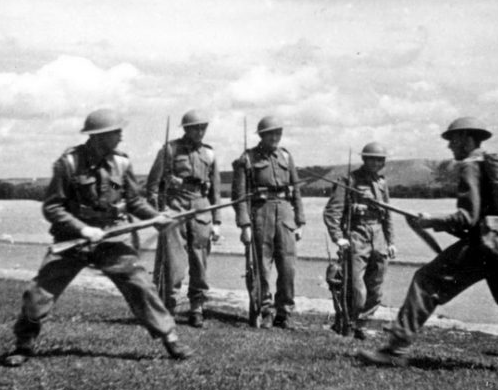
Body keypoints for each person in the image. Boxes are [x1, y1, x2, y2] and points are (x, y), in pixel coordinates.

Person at [357, 116, 498, 382]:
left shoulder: (471, 166)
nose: (450, 147)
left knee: (426, 281)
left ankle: (394, 350)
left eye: (453, 140)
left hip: (486, 246)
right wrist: (432, 222)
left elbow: (468, 218)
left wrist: (431, 221)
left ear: (468, 138)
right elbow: (494, 217)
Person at [1, 109, 192, 367]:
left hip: (111, 241)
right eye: (116, 132)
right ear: (99, 136)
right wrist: (83, 229)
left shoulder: (121, 163)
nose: (121, 137)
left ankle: (170, 338)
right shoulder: (68, 164)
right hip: (73, 241)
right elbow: (52, 207)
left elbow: (134, 201)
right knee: (39, 293)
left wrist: (156, 217)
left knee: (140, 286)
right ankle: (24, 343)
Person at [145, 110, 222, 328]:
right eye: (195, 127)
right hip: (175, 208)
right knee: (173, 263)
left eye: (203, 128)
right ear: (186, 129)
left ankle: (196, 308)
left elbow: (216, 191)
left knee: (200, 262)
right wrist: (158, 213)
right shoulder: (169, 150)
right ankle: (168, 306)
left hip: (201, 210)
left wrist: (217, 222)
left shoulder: (209, 154)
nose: (200, 131)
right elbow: (151, 187)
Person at [231, 116, 305, 329]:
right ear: (262, 135)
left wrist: (299, 221)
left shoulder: (285, 156)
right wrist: (244, 225)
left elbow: (296, 189)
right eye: (270, 133)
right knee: (261, 267)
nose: (275, 137)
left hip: (285, 214)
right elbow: (239, 195)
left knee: (288, 266)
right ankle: (265, 310)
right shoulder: (247, 158)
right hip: (260, 215)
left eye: (278, 133)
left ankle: (284, 312)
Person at [323, 142, 397, 340]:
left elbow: (387, 214)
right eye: (373, 158)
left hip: (379, 237)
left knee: (376, 286)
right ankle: (346, 322)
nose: (377, 163)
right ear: (364, 159)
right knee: (356, 287)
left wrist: (391, 241)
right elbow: (332, 212)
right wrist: (338, 238)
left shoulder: (382, 183)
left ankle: (362, 324)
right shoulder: (348, 180)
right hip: (357, 236)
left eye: (380, 159)